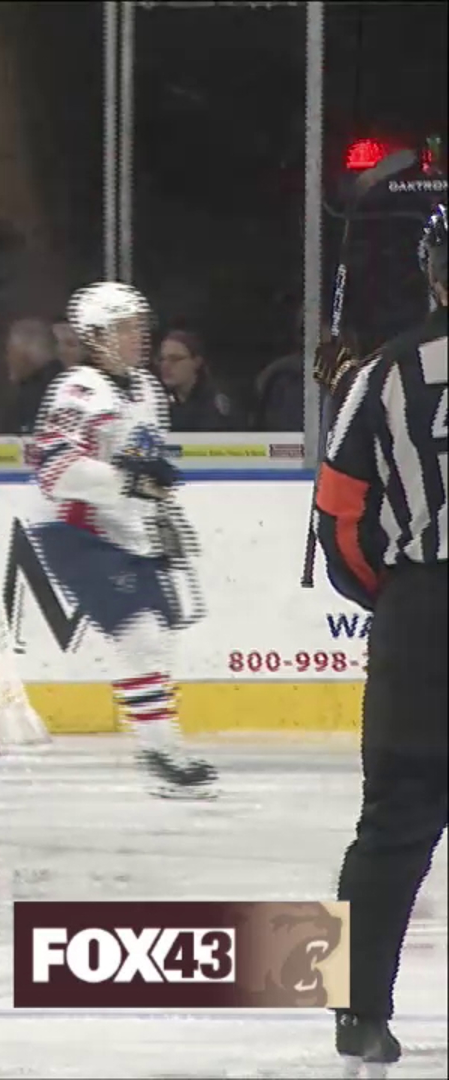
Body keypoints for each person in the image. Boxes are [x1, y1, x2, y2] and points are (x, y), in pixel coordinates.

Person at [316, 203, 448, 1077]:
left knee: (388, 827)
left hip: (422, 622)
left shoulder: (387, 372)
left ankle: (355, 1016)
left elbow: (339, 523)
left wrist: (403, 598)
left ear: (434, 270)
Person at [28, 282, 216, 798]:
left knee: (157, 639)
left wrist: (153, 491)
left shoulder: (148, 388)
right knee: (141, 637)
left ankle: (163, 748)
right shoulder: (78, 389)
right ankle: (161, 753)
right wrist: (130, 482)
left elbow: (137, 455)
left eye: (139, 326)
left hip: (126, 528)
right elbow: (54, 468)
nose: (138, 336)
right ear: (95, 336)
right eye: (125, 327)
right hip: (75, 530)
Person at [155, 329, 238, 432]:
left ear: (196, 362)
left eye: (175, 359)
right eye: (162, 359)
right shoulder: (158, 403)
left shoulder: (214, 407)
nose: (165, 366)